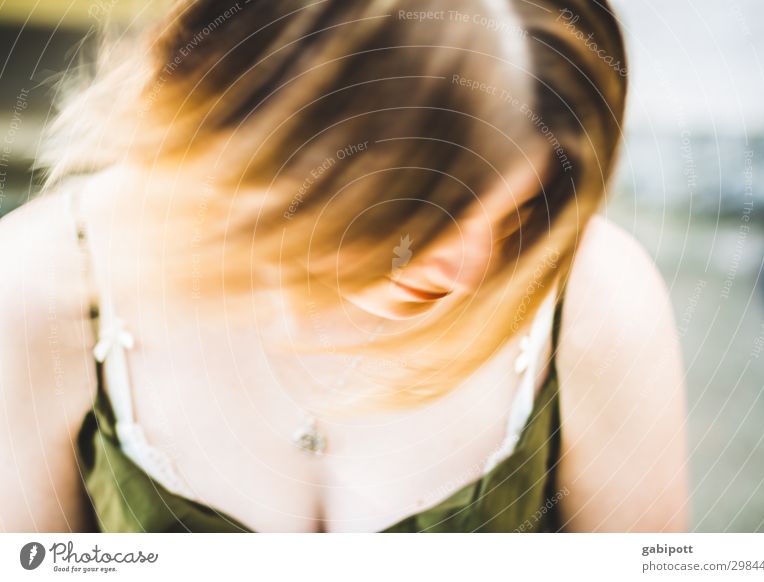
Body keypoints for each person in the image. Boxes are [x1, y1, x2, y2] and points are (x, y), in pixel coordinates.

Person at [0, 0, 687, 532]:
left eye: (516, 212)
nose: (472, 265)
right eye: (422, 213)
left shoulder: (594, 298)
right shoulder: (40, 287)